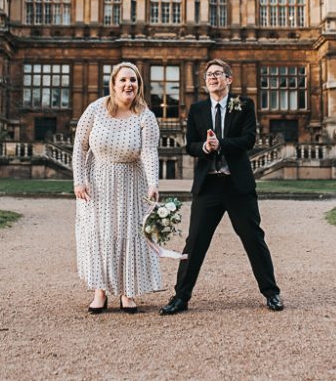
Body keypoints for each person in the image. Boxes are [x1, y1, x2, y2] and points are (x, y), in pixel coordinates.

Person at [160, 58, 282, 315]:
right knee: (195, 243)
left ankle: (272, 293)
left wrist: (221, 144)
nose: (213, 78)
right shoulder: (197, 110)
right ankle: (180, 297)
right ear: (206, 83)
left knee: (253, 239)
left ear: (229, 79)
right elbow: (190, 144)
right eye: (209, 75)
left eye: (218, 73)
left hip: (237, 185)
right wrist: (204, 148)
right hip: (209, 185)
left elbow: (249, 139)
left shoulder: (243, 105)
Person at [73, 62, 162, 314]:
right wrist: (79, 180)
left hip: (132, 182)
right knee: (99, 235)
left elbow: (148, 151)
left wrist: (153, 181)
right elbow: (80, 146)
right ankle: (99, 291)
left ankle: (127, 292)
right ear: (113, 84)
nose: (128, 85)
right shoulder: (95, 109)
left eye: (133, 80)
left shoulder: (145, 115)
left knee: (129, 235)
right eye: (123, 80)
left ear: (139, 85)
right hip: (97, 181)